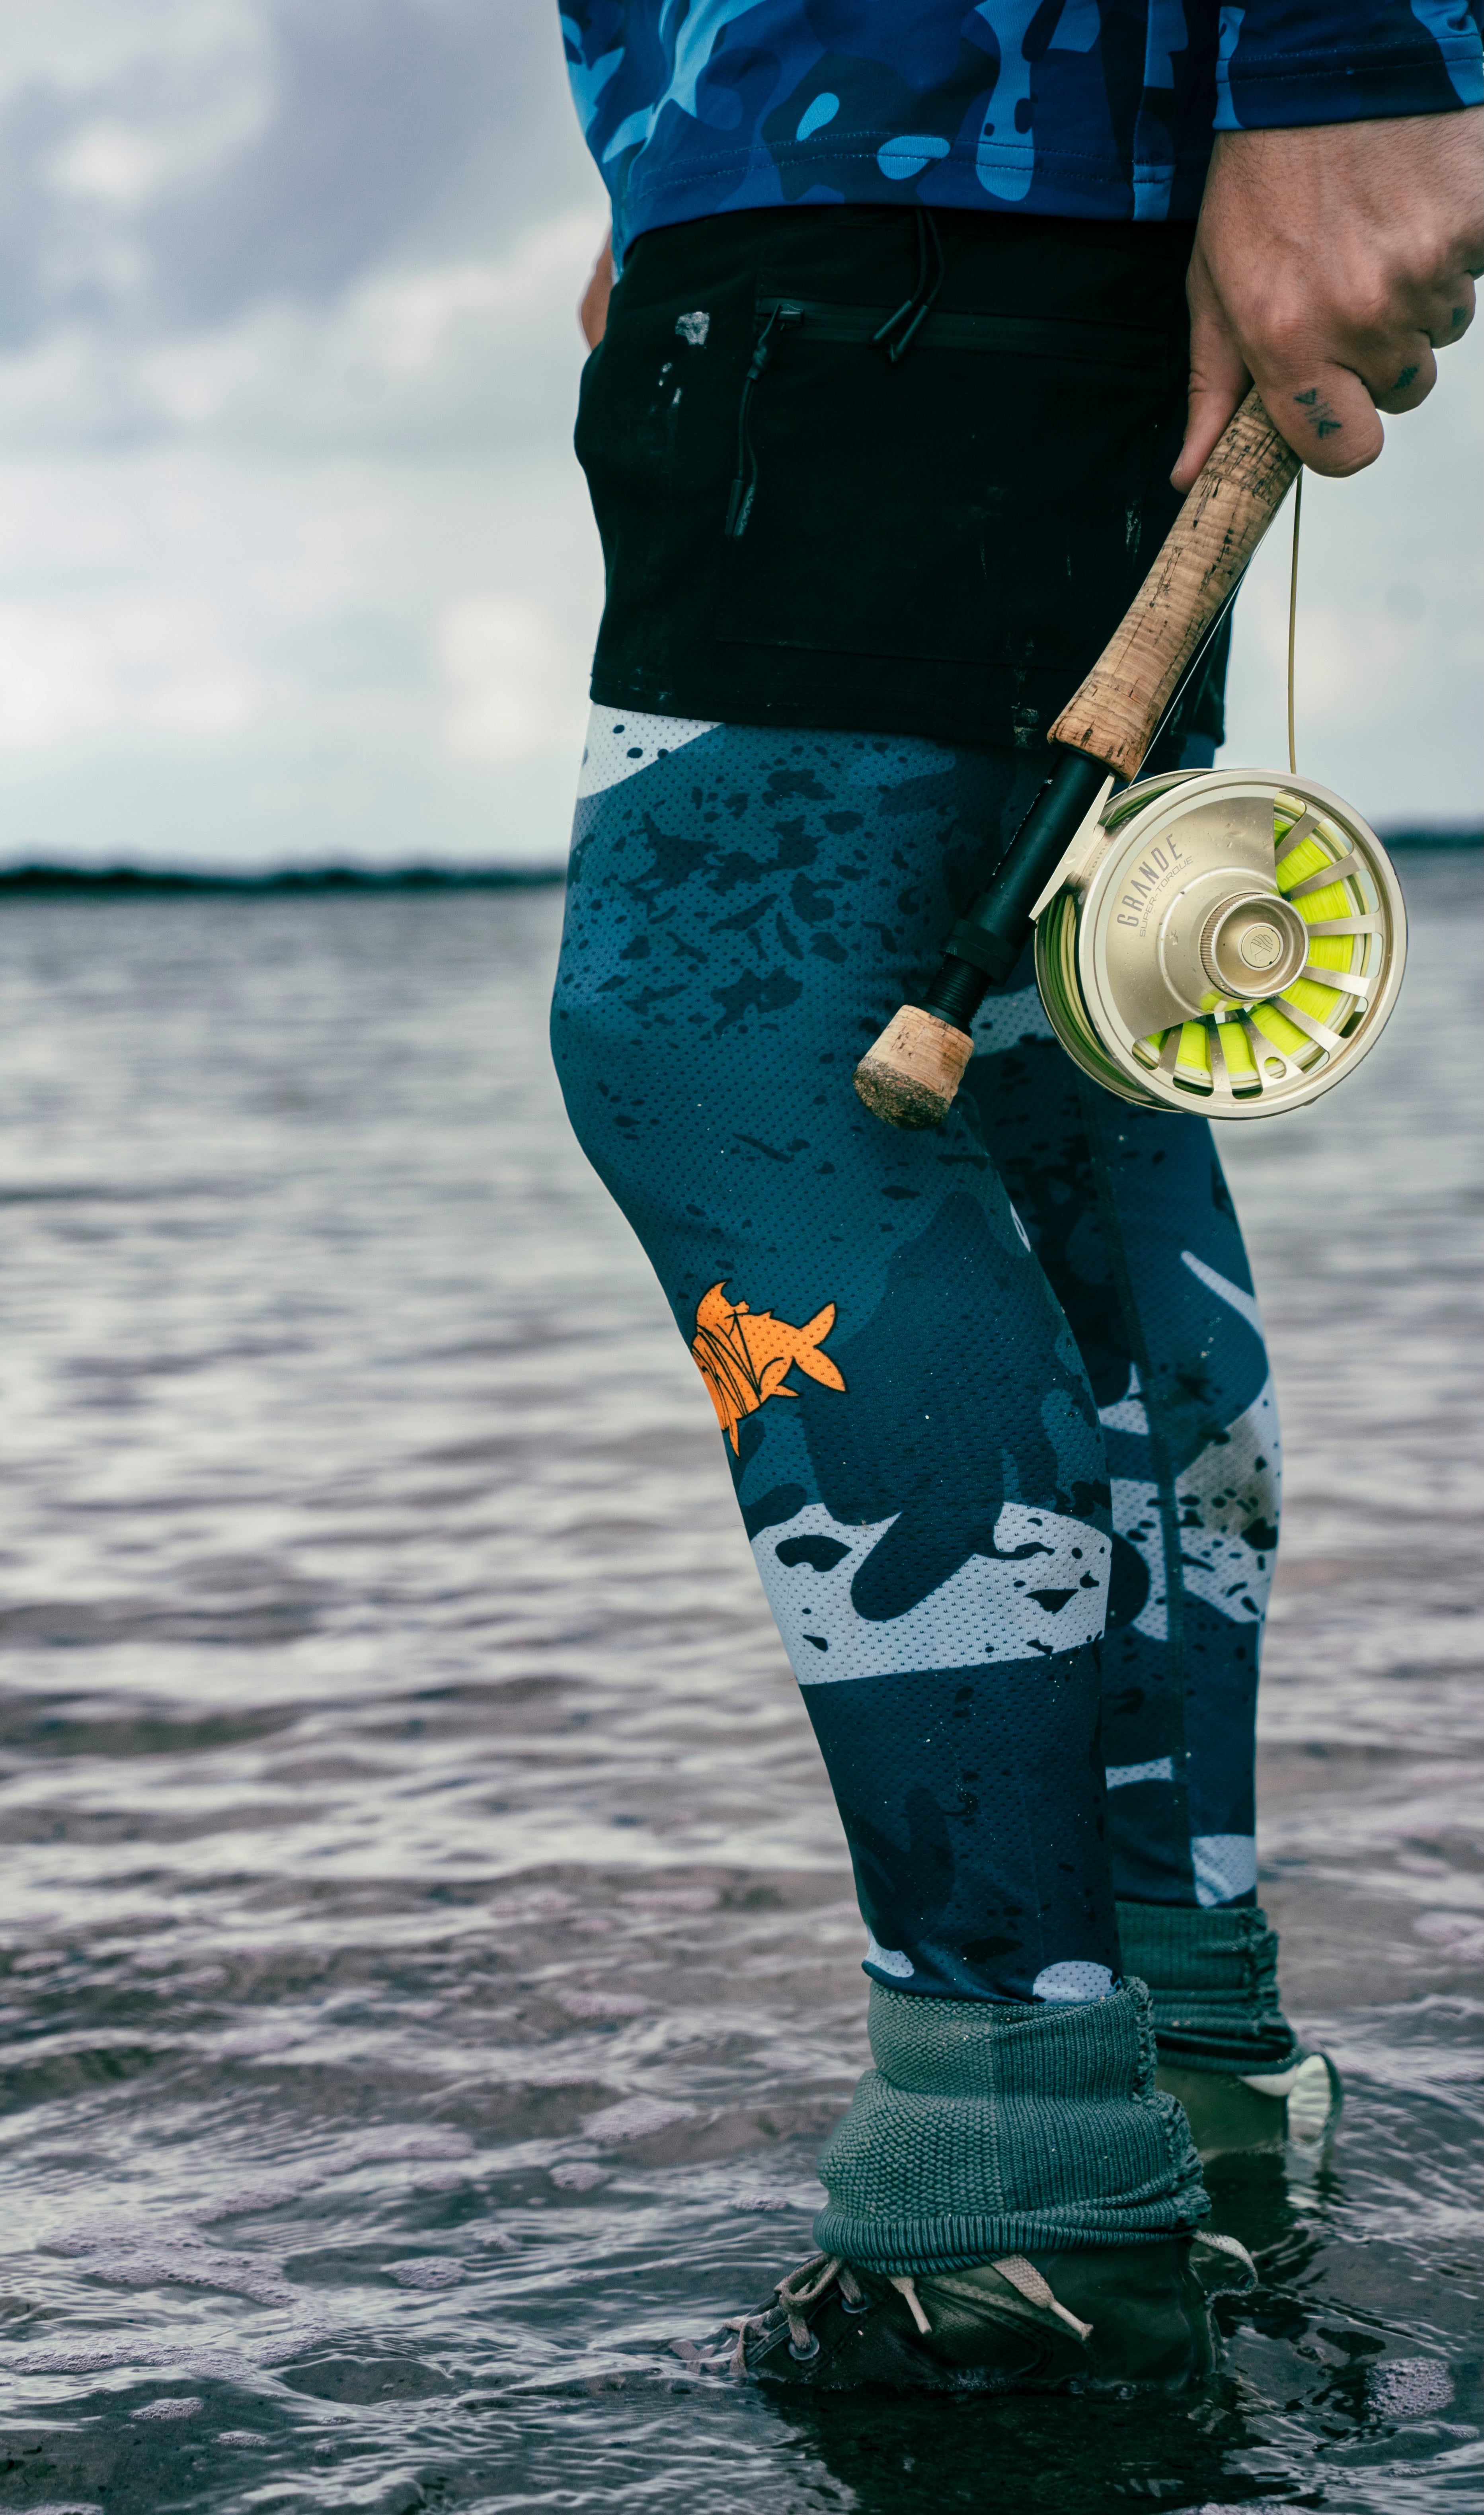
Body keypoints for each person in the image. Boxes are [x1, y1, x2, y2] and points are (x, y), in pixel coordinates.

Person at [550, 4, 1482, 2394]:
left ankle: (1018, 2190)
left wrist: (1351, 44)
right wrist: (668, 144)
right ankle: (1178, 2072)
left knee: (725, 1045)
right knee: (1056, 1080)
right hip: (874, 157)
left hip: (910, 150)